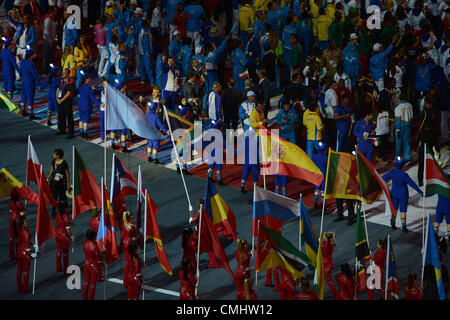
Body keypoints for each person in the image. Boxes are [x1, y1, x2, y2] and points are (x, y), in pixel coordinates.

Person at [382, 158, 424, 233]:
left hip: (394, 193)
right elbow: (412, 184)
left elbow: (383, 178)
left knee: (394, 209)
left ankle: (393, 224)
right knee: (403, 211)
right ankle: (404, 227)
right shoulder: (404, 175)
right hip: (403, 195)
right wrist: (420, 191)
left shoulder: (393, 172)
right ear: (402, 166)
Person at [275, 99, 297, 196]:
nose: (286, 107)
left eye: (288, 105)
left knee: (292, 148)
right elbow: (278, 121)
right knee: (282, 150)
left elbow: (296, 119)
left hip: (291, 133)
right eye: (285, 105)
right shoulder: (280, 113)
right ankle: (284, 161)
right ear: (283, 106)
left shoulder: (292, 111)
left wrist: (290, 120)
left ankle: (293, 163)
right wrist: (282, 122)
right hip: (283, 133)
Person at [417, 97, 440, 187]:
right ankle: (431, 179)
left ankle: (420, 181)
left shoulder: (424, 113)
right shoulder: (434, 112)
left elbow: (420, 127)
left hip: (424, 139)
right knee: (430, 161)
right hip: (432, 137)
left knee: (422, 162)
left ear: (426, 103)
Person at [145, 86, 168, 164]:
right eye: (153, 92)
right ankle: (155, 159)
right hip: (155, 132)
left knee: (149, 144)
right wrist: (166, 131)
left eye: (155, 92)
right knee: (155, 145)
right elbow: (160, 125)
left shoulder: (148, 114)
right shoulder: (156, 116)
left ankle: (148, 157)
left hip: (149, 131)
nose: (153, 93)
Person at [19, 49, 42, 120]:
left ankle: (23, 110)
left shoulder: (22, 61)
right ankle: (31, 114)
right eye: (33, 55)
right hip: (30, 82)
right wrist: (39, 84)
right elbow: (34, 75)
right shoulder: (31, 64)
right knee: (30, 97)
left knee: (24, 95)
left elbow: (21, 72)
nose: (34, 56)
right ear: (30, 56)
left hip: (24, 81)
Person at [78, 72, 101, 139]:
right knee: (85, 121)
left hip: (80, 105)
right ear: (86, 79)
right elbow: (92, 98)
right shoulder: (87, 87)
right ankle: (85, 134)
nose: (90, 78)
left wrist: (91, 89)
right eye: (89, 78)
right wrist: (99, 104)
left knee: (81, 120)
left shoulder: (80, 86)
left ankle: (82, 133)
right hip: (86, 105)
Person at [47, 148, 71, 214]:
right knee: (54, 197)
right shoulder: (53, 161)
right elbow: (51, 170)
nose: (53, 155)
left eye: (54, 154)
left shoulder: (64, 163)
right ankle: (53, 211)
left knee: (62, 197)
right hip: (54, 182)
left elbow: (67, 173)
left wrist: (68, 184)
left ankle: (63, 211)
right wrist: (47, 178)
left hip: (62, 182)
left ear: (58, 155)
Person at [82, 229, 103, 300]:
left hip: (86, 264)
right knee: (92, 284)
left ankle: (84, 298)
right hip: (93, 266)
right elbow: (98, 260)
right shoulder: (94, 246)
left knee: (86, 282)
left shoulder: (84, 244)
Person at [122, 211, 140, 289]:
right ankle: (132, 280)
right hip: (130, 245)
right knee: (132, 264)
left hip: (125, 244)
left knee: (128, 264)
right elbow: (134, 239)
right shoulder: (131, 225)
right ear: (130, 217)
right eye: (132, 215)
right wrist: (140, 233)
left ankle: (125, 281)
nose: (133, 216)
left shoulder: (124, 224)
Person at [56, 68, 76, 139]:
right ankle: (62, 129)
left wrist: (61, 100)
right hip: (61, 100)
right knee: (61, 115)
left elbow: (68, 93)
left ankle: (71, 133)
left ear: (68, 74)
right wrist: (58, 98)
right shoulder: (61, 80)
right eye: (63, 72)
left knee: (69, 116)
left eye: (64, 73)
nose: (62, 74)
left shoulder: (71, 81)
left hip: (67, 101)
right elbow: (58, 89)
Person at [16, 219, 34, 293]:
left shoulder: (20, 230)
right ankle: (24, 289)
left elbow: (22, 241)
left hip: (19, 251)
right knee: (26, 271)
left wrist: (31, 243)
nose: (28, 222)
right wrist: (32, 254)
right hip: (25, 254)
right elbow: (27, 248)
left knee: (19, 270)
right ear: (23, 224)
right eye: (26, 222)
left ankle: (19, 287)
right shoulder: (27, 232)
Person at [55, 204, 72, 275]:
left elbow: (61, 222)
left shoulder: (57, 214)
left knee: (59, 251)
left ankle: (58, 267)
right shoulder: (66, 215)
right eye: (67, 208)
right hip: (64, 235)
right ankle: (66, 270)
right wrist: (71, 235)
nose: (67, 209)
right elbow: (68, 228)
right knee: (65, 253)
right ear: (64, 208)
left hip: (58, 233)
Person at [9, 189, 25, 260]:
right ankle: (18, 252)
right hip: (18, 219)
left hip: (11, 219)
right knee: (18, 237)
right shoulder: (19, 202)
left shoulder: (10, 201)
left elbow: (11, 210)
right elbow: (22, 214)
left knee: (12, 237)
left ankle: (11, 254)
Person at [434, 175, 450, 242]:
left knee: (437, 221)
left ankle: (435, 234)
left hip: (439, 206)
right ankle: (449, 237)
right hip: (448, 207)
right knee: (449, 222)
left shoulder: (439, 187)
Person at [322, 231, 337, 298]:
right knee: (328, 279)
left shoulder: (327, 244)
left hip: (326, 264)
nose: (323, 236)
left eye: (324, 236)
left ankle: (335, 294)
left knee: (329, 281)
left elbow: (324, 247)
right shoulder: (330, 242)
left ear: (326, 237)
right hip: (327, 261)